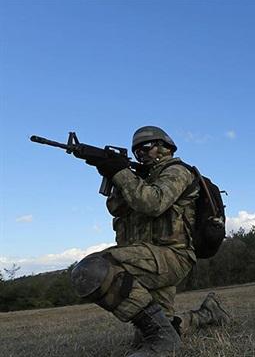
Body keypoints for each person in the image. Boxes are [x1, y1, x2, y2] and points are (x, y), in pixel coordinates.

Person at [69, 126, 229, 356]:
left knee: (92, 269)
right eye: (136, 151)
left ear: (165, 147)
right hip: (149, 256)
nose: (141, 154)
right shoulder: (142, 178)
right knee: (148, 334)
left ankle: (164, 342)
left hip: (172, 256)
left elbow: (153, 203)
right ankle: (208, 314)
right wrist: (113, 172)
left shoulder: (177, 171)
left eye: (146, 147)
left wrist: (121, 173)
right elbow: (116, 208)